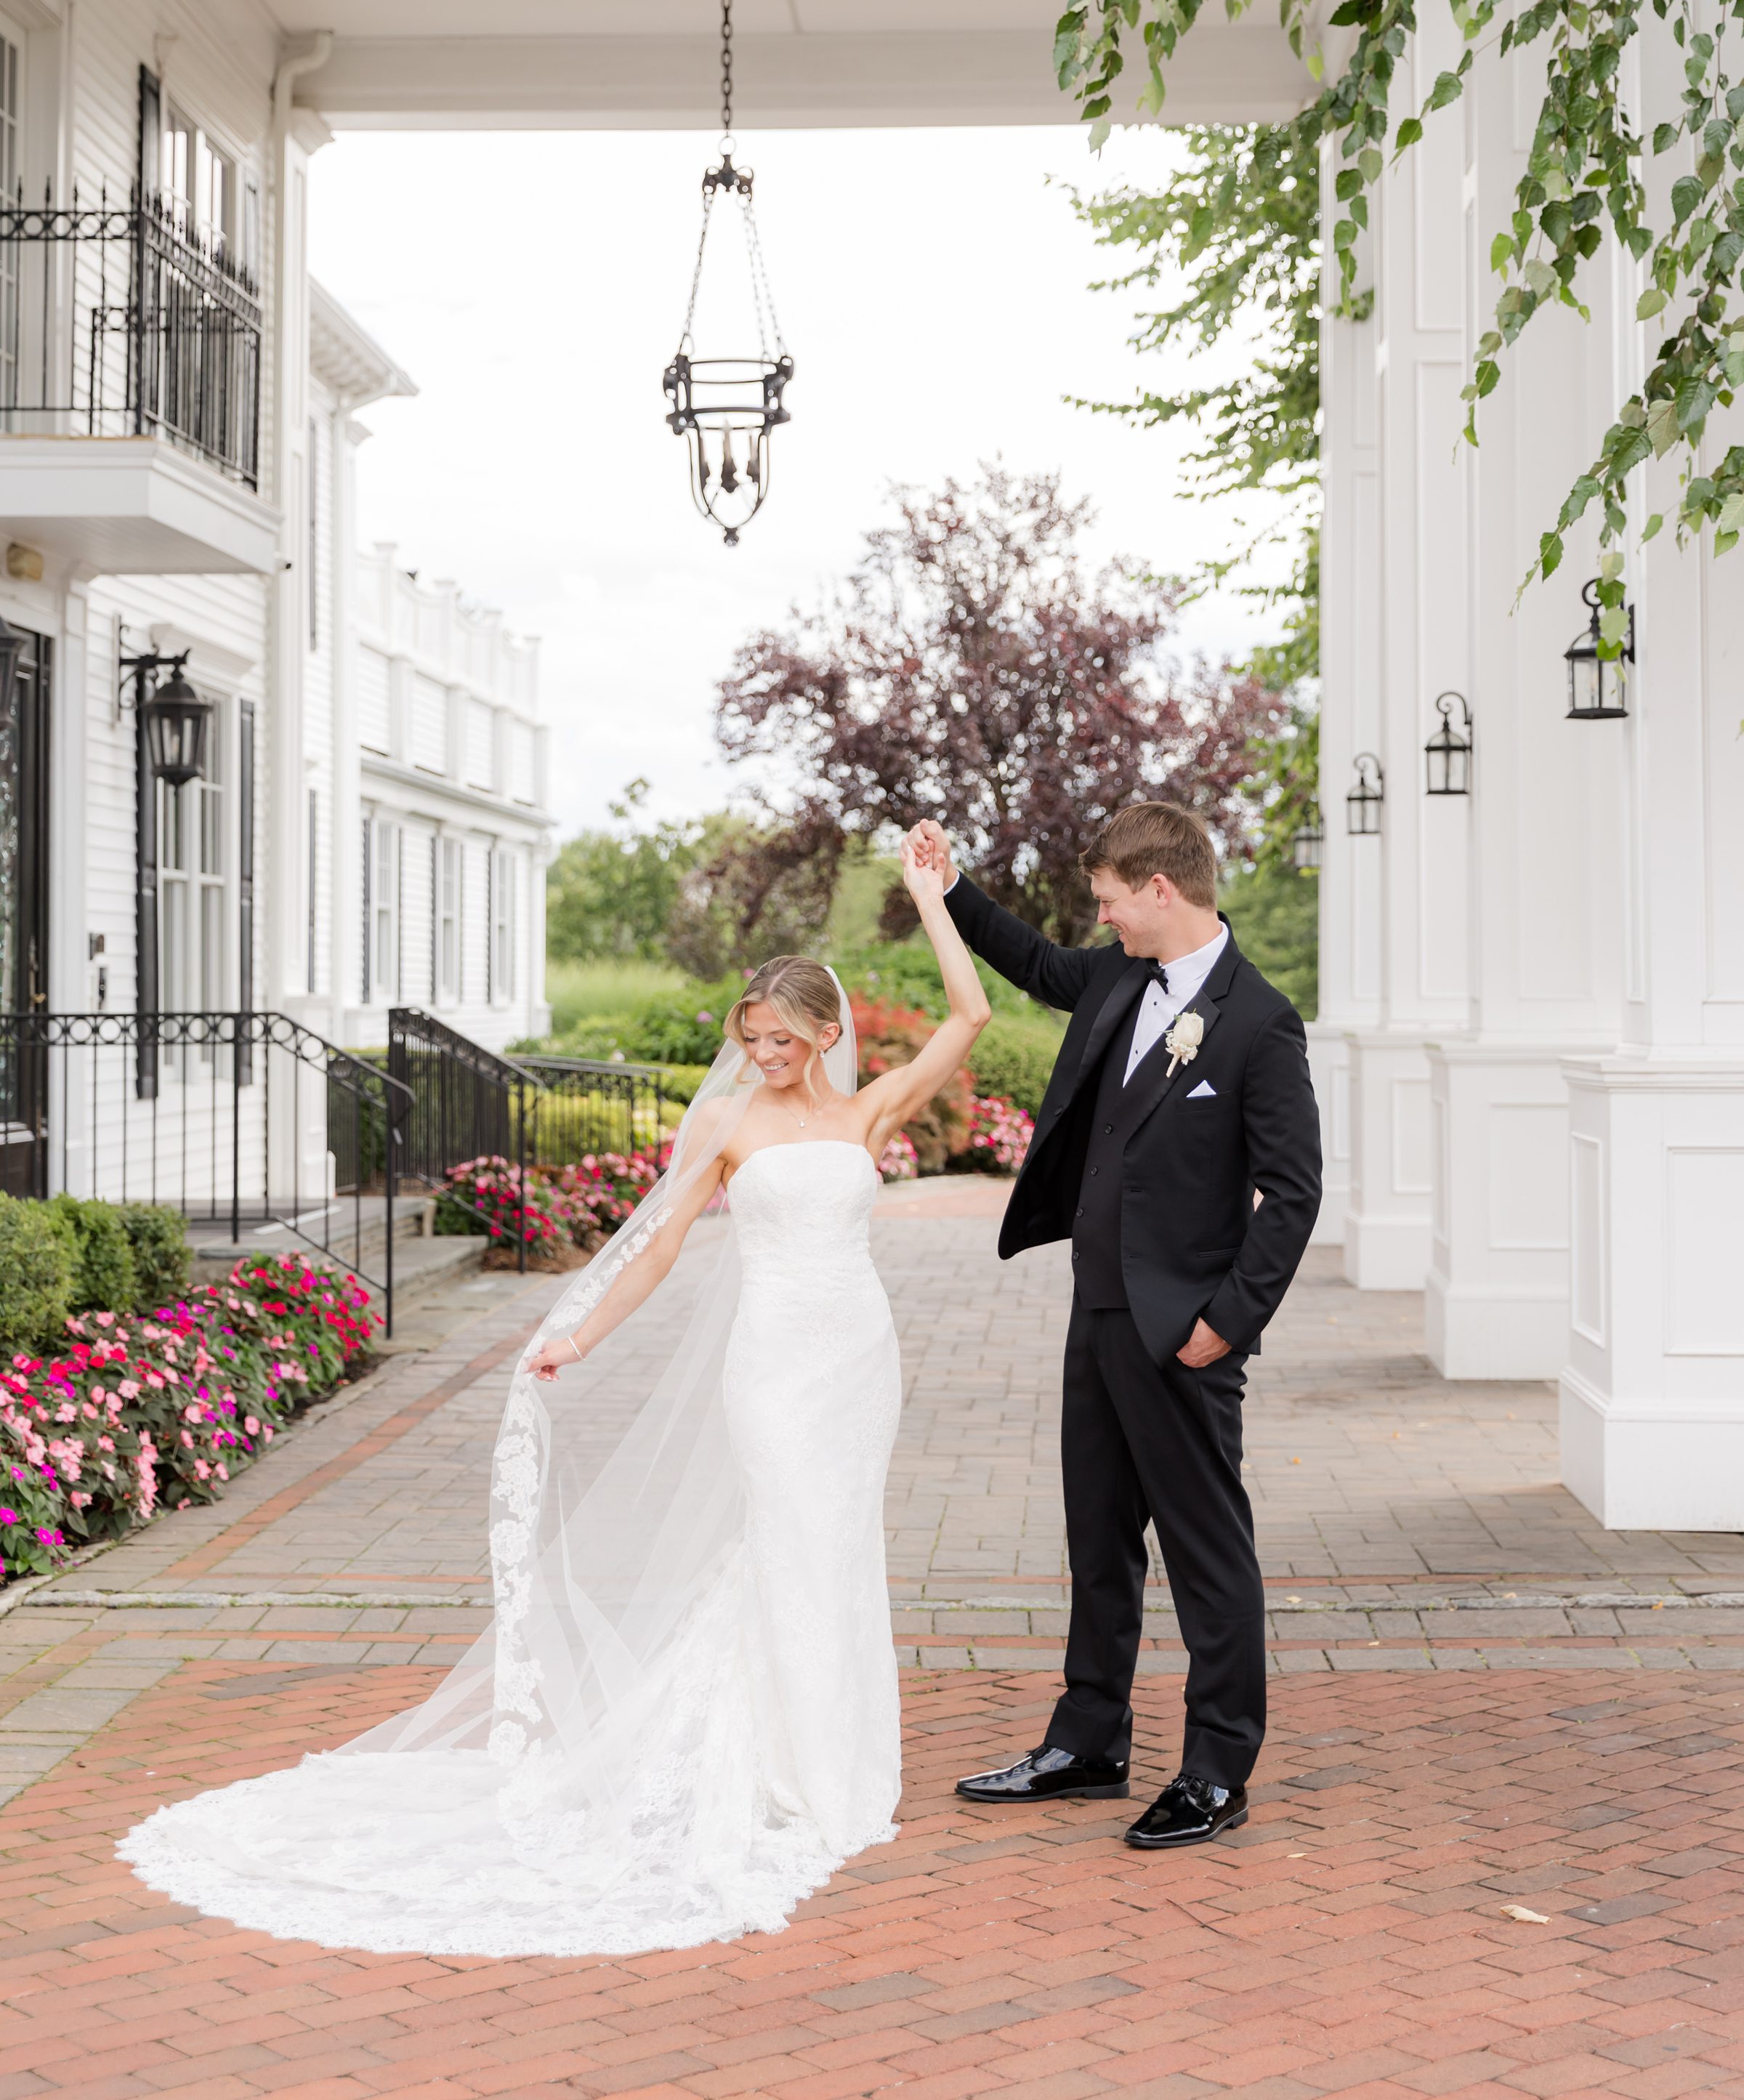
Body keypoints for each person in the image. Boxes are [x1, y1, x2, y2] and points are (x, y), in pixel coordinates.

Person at [117, 845, 988, 1958]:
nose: (763, 1057)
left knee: (837, 1546)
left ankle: (834, 1765)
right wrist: (577, 1330)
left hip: (859, 1359)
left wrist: (929, 898)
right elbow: (661, 1247)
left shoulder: (869, 1111)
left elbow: (969, 1014)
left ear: (826, 1033)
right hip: (771, 1366)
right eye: (750, 1041)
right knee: (783, 1539)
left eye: (781, 1039)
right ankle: (779, 1770)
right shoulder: (725, 1129)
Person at [904, 801, 1320, 1849]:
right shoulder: (1117, 979)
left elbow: (1296, 1191)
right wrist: (950, 886)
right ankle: (1087, 1741)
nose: (1104, 919)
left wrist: (1226, 1324)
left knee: (1206, 1552)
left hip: (1185, 1332)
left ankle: (1218, 1768)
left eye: (1110, 900)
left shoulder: (1258, 1021)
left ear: (1161, 889)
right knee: (1098, 1539)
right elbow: (1035, 963)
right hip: (1097, 1312)